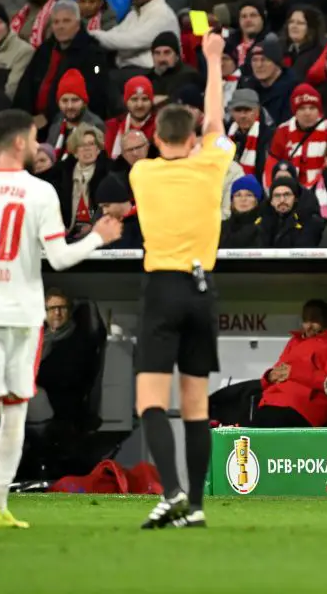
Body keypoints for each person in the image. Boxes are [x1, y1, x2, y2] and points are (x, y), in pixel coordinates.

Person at [0, 109, 122, 530]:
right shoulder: (40, 193)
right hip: (22, 314)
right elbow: (59, 257)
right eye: (35, 138)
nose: (39, 145)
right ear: (18, 142)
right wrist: (97, 237)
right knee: (15, 410)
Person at [129, 31, 233, 530]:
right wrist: (213, 60)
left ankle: (170, 491)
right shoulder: (211, 166)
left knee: (150, 400)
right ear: (193, 141)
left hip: (163, 287)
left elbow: (200, 128)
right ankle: (195, 507)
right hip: (202, 289)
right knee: (196, 405)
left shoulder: (142, 175)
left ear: (155, 139)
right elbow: (215, 118)